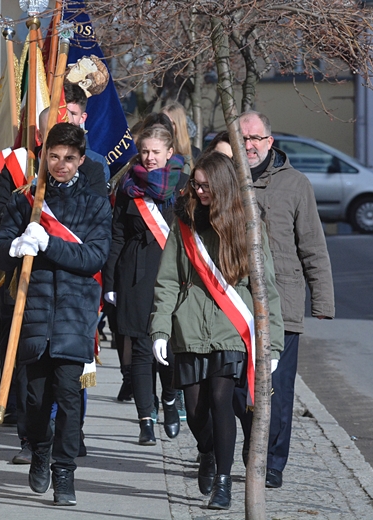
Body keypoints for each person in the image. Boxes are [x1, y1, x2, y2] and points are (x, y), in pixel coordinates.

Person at [149, 152, 284, 510]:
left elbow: (266, 287)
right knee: (194, 411)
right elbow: (166, 282)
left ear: (223, 185)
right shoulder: (184, 223)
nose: (199, 190)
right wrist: (160, 330)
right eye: (196, 183)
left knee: (222, 401)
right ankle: (206, 451)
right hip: (189, 327)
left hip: (230, 328)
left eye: (206, 185)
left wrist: (274, 345)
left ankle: (223, 482)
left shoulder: (248, 224)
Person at [0, 123, 112, 506]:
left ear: (80, 161)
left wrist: (50, 244)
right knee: (36, 399)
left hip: (76, 314)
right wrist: (13, 247)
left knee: (69, 398)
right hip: (35, 310)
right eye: (54, 157)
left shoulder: (95, 204)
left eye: (69, 158)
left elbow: (94, 256)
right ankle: (39, 450)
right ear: (44, 157)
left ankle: (64, 471)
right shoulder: (27, 201)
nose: (61, 164)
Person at [236, 111, 335, 489]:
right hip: (235, 303)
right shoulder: (227, 180)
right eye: (243, 138)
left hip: (284, 307)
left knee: (277, 391)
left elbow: (312, 245)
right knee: (236, 389)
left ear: (269, 141)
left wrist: (322, 301)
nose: (249, 145)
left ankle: (272, 462)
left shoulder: (296, 185)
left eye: (256, 138)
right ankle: (246, 450)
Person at [103, 124, 187, 445]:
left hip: (173, 275)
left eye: (156, 152)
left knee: (169, 350)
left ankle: (168, 399)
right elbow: (118, 235)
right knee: (140, 349)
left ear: (169, 152)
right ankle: (145, 420)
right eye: (145, 151)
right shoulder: (128, 187)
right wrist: (111, 279)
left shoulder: (184, 186)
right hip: (135, 274)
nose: (149, 158)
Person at [63, 81, 111, 181]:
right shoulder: (35, 155)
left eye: (72, 113)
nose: (66, 118)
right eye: (62, 112)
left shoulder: (96, 162)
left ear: (82, 118)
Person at [162, 100, 201, 170]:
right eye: (163, 121)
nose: (166, 126)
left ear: (179, 126)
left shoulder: (195, 154)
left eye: (172, 123)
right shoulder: (153, 152)